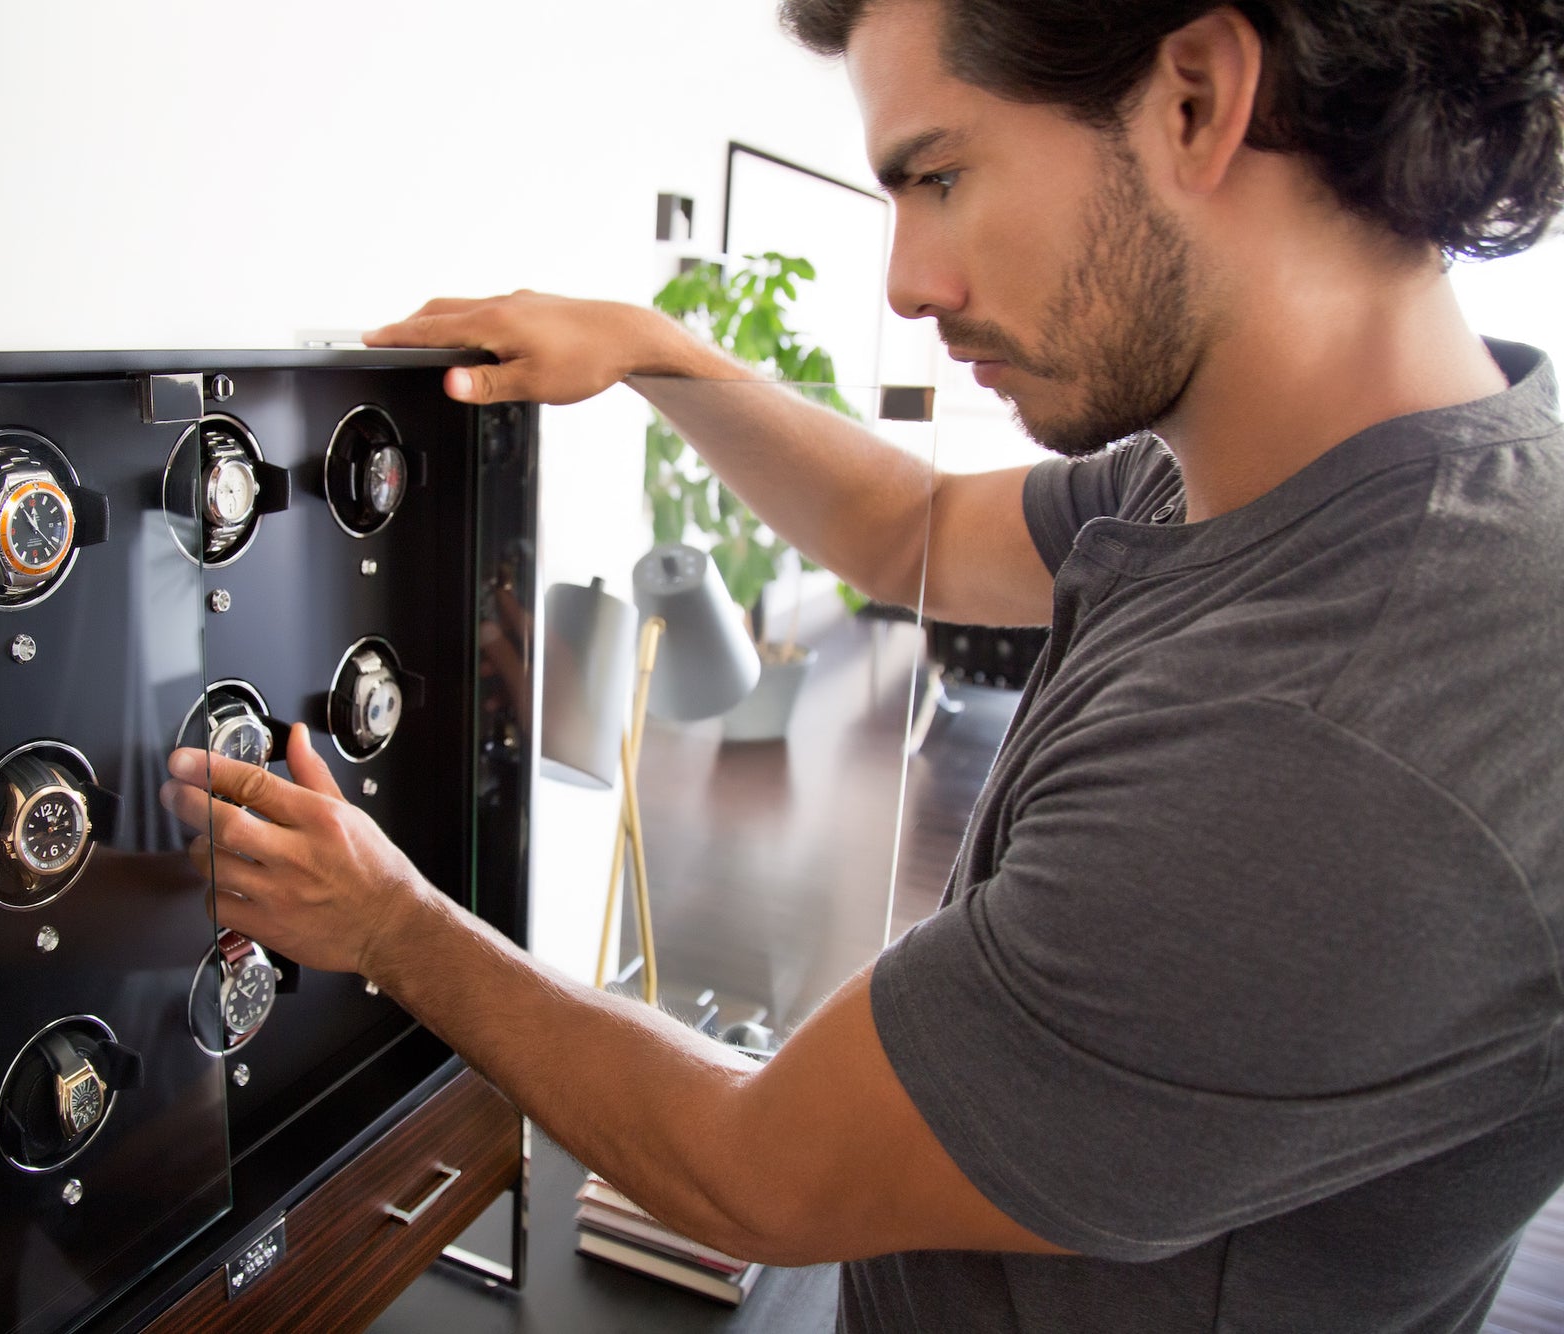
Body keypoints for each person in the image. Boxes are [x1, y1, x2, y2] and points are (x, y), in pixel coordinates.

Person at [161, 1, 1564, 1328]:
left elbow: (753, 1166)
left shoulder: (1335, 745)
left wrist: (392, 923)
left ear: (1194, 98)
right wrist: (651, 351)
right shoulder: (1265, 461)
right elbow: (920, 529)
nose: (906, 284)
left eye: (938, 174)